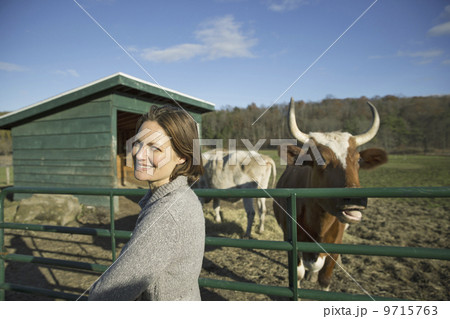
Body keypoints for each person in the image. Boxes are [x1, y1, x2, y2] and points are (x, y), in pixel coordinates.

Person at [88, 105, 205, 301]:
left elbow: (107, 295)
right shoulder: (184, 196)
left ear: (182, 156)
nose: (139, 154)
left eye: (155, 148)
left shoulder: (165, 216)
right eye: (138, 143)